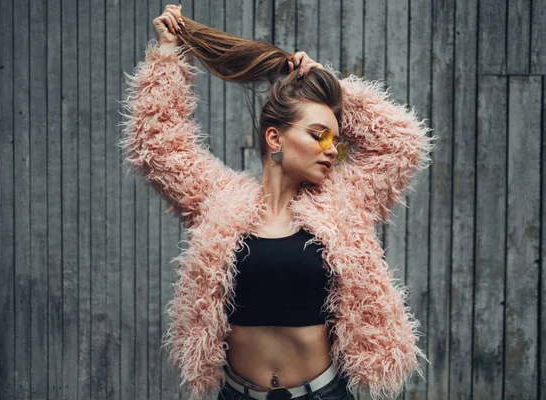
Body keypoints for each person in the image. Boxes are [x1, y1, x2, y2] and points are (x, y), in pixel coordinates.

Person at [119, 4, 435, 400]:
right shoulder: (220, 201)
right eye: (319, 135)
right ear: (275, 139)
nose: (332, 150)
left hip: (322, 394)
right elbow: (158, 146)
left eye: (336, 142)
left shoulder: (343, 203)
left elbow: (401, 144)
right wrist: (167, 54)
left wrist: (328, 84)